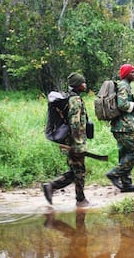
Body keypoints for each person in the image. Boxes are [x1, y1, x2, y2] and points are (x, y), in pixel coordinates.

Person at [43, 72, 90, 207]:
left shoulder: (71, 98)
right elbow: (75, 123)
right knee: (79, 171)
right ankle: (80, 200)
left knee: (75, 170)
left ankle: (51, 187)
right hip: (74, 142)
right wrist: (78, 144)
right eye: (83, 82)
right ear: (78, 85)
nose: (85, 84)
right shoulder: (75, 100)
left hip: (70, 141)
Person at [106, 63, 134, 193]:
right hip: (125, 127)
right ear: (126, 74)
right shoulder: (123, 86)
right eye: (132, 72)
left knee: (125, 154)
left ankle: (126, 184)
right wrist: (133, 105)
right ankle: (114, 173)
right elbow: (122, 105)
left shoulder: (124, 86)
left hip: (120, 126)